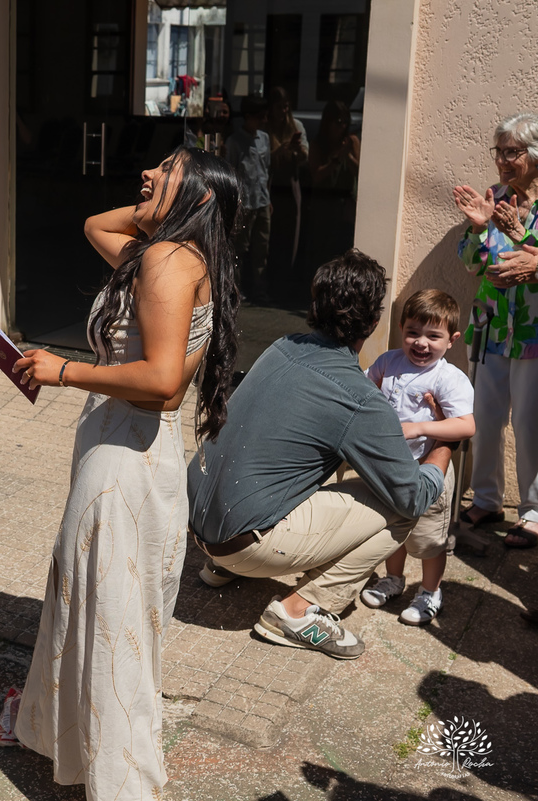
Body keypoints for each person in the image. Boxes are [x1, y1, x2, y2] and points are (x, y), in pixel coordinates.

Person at [11, 147, 240, 801]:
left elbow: (163, 383)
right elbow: (97, 227)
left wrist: (62, 369)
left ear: (198, 199)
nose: (147, 173)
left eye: (166, 170)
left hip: (124, 462)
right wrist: (161, 210)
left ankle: (122, 783)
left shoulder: (168, 261)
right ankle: (96, 754)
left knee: (114, 627)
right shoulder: (169, 256)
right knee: (110, 616)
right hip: (133, 454)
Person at [188, 250, 452, 660]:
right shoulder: (359, 398)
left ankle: (221, 568)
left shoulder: (281, 345)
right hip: (242, 543)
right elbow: (412, 495)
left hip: (198, 521)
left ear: (315, 305)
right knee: (404, 506)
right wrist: (444, 443)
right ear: (376, 321)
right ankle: (298, 612)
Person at [360, 290, 474, 625]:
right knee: (391, 530)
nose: (421, 343)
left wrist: (419, 427)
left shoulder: (448, 378)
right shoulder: (387, 362)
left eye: (433, 336)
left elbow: (467, 425)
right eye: (413, 332)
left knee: (428, 540)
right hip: (389, 468)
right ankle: (394, 579)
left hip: (427, 470)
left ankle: (430, 591)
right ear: (400, 329)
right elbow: (366, 391)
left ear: (451, 339)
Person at [452, 113, 538, 548]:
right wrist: (479, 227)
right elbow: (471, 264)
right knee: (484, 419)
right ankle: (485, 498)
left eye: (513, 152)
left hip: (534, 333)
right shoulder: (493, 197)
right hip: (489, 324)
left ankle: (534, 510)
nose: (503, 161)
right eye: (499, 152)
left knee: (529, 422)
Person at [226, 94, 271, 302]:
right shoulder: (235, 142)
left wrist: (268, 199)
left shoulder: (264, 138)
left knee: (261, 246)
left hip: (261, 199)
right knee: (240, 248)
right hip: (244, 201)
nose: (264, 120)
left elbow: (266, 170)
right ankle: (236, 287)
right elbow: (231, 171)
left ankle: (260, 288)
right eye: (259, 116)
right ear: (248, 116)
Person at [265, 87, 308, 301]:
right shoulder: (266, 129)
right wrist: (282, 149)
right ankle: (269, 284)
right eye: (280, 107)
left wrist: (298, 150)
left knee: (292, 236)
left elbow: (305, 158)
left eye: (286, 106)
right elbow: (264, 161)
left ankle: (286, 284)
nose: (284, 111)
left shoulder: (296, 126)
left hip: (291, 185)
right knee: (270, 237)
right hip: (271, 185)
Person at [306, 100, 360, 269]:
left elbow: (360, 171)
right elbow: (316, 176)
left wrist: (348, 156)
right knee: (323, 252)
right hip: (324, 205)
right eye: (338, 122)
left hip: (346, 207)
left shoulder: (351, 142)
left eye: (345, 122)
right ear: (327, 122)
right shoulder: (318, 144)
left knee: (344, 252)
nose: (342, 126)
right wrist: (336, 159)